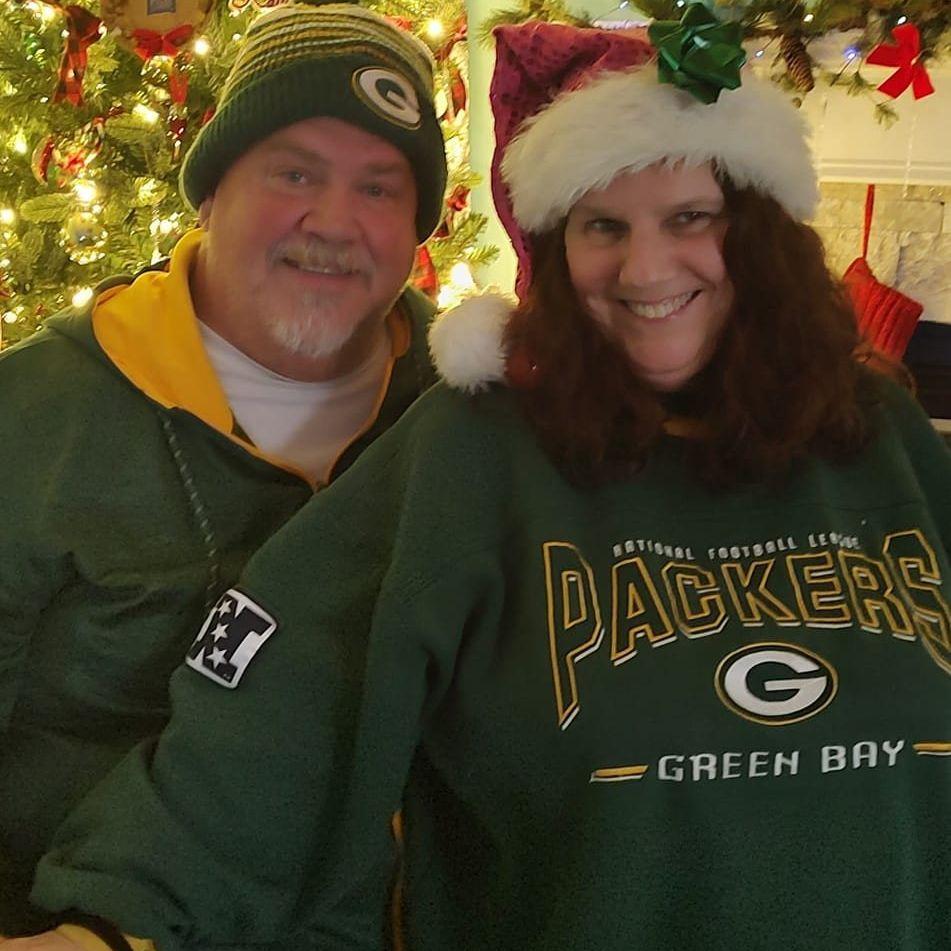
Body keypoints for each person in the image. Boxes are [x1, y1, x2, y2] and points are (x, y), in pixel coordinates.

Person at [12, 10, 951, 951]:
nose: (645, 266)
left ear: (757, 230)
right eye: (601, 225)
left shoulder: (880, 433)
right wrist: (114, 920)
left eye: (689, 217)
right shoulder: (475, 440)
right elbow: (285, 690)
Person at [0, 1, 446, 940]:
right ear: (209, 195)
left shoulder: (465, 410)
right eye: (294, 172)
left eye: (378, 188)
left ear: (416, 230)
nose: (334, 221)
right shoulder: (35, 414)